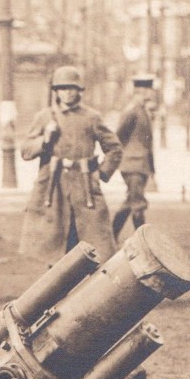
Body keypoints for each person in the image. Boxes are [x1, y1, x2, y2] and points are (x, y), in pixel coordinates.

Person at [17, 65, 122, 264]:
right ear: (56, 91)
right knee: (55, 245)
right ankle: (55, 290)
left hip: (85, 187)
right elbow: (26, 151)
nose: (68, 93)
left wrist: (101, 173)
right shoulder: (45, 117)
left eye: (72, 88)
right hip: (53, 186)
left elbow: (114, 148)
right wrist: (46, 138)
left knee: (92, 244)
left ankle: (90, 292)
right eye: (63, 88)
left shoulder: (91, 117)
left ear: (80, 91)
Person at [111, 73, 159, 242]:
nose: (151, 93)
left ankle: (111, 236)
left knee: (130, 201)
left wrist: (152, 168)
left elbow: (148, 144)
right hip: (133, 164)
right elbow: (118, 136)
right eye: (148, 90)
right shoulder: (132, 111)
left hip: (140, 164)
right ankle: (143, 242)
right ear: (140, 90)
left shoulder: (142, 111)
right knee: (137, 203)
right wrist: (123, 156)